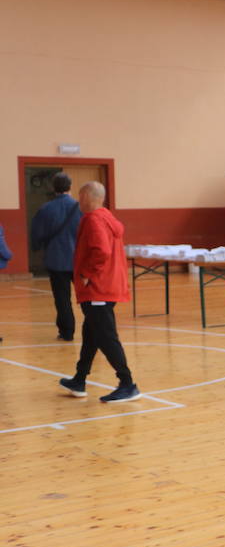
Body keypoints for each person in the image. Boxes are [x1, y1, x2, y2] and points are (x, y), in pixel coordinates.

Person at [59, 182, 141, 403]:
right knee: (91, 334)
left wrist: (86, 274)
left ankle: (127, 384)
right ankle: (80, 378)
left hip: (98, 289)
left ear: (87, 195)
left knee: (105, 336)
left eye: (80, 195)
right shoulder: (106, 217)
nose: (78, 200)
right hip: (107, 286)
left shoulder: (94, 219)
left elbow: (101, 251)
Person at [28, 172, 82, 341]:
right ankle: (95, 330)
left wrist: (37, 247)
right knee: (88, 298)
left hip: (56, 260)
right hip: (79, 260)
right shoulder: (82, 208)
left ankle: (67, 332)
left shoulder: (46, 209)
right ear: (70, 187)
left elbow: (36, 233)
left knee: (62, 299)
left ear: (53, 188)